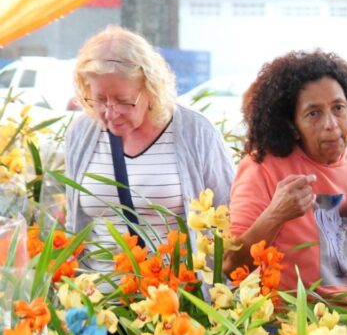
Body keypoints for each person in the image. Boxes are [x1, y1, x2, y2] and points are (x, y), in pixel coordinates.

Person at [66, 26, 234, 266]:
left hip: (172, 296)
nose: (111, 112)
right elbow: (74, 222)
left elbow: (228, 213)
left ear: (151, 89)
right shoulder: (82, 133)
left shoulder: (195, 132)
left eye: (124, 101)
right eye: (100, 99)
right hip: (97, 294)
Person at [228, 50, 347, 304]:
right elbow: (231, 266)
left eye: (338, 108)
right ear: (292, 124)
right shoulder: (263, 168)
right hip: (297, 333)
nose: (331, 123)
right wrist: (276, 214)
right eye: (314, 113)